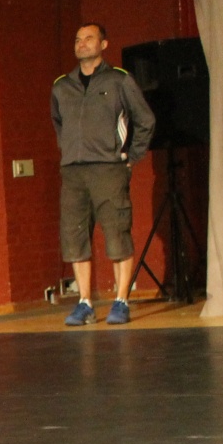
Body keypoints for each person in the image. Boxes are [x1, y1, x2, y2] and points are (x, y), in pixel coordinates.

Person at [53, 22, 156, 326]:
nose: (81, 44)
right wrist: (69, 151)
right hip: (74, 172)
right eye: (77, 39)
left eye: (88, 38)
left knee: (116, 234)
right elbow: (58, 123)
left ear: (103, 44)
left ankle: (121, 301)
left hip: (109, 169)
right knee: (75, 237)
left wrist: (130, 156)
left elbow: (145, 120)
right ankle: (84, 303)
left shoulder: (120, 80)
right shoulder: (61, 86)